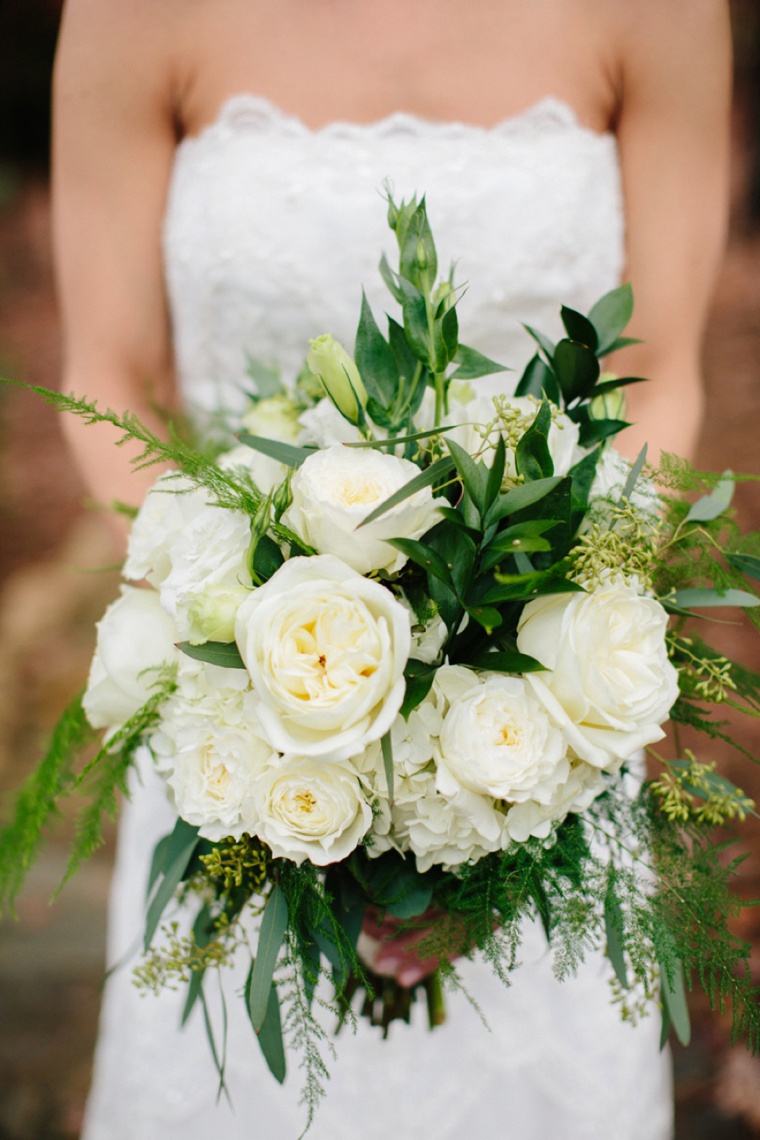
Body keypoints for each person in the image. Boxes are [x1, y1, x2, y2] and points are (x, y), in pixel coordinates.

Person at [52, 1, 731, 1137]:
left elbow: (662, 376)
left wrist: (539, 676)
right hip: (238, 719)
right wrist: (255, 666)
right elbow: (107, 374)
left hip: (540, 733)